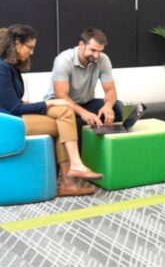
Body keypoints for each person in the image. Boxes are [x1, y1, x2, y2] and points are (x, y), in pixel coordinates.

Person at [0, 24, 102, 197]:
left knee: (64, 110)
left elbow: (12, 101)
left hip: (13, 117)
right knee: (63, 120)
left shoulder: (11, 67)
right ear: (17, 44)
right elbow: (15, 109)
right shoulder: (2, 68)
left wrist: (53, 103)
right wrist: (49, 104)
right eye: (29, 47)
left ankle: (70, 176)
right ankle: (70, 178)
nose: (31, 53)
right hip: (8, 124)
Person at [45, 28, 122, 128]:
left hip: (86, 103)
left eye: (100, 51)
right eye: (93, 50)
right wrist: (84, 113)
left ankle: (108, 141)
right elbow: (61, 96)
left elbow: (110, 90)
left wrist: (108, 106)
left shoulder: (103, 59)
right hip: (60, 104)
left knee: (118, 107)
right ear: (81, 45)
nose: (96, 55)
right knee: (69, 113)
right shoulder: (64, 60)